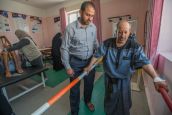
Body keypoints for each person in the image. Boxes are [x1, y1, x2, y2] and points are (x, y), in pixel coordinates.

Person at [84, 20, 168, 115]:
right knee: (110, 103)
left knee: (124, 104)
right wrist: (89, 66)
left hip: (124, 81)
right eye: (120, 32)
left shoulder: (134, 47)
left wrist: (155, 78)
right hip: (109, 80)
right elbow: (97, 54)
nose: (122, 35)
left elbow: (145, 62)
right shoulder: (107, 43)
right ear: (116, 31)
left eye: (125, 32)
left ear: (129, 33)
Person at [60, 1, 99, 115]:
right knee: (74, 89)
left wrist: (101, 50)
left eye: (92, 15)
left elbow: (95, 42)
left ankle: (88, 101)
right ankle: (74, 111)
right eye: (87, 14)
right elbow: (64, 48)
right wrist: (67, 66)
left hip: (90, 61)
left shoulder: (93, 27)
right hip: (75, 63)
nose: (90, 18)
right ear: (80, 12)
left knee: (89, 84)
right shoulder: (70, 28)